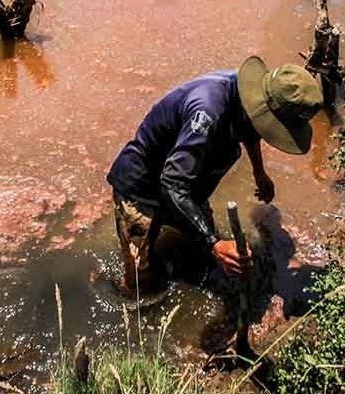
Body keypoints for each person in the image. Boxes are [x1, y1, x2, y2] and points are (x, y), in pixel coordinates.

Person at [106, 56, 324, 297]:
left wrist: (259, 172)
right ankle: (125, 293)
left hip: (188, 182)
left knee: (200, 257)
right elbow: (172, 184)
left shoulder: (249, 99)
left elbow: (251, 130)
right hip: (142, 188)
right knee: (141, 283)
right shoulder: (207, 112)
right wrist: (214, 242)